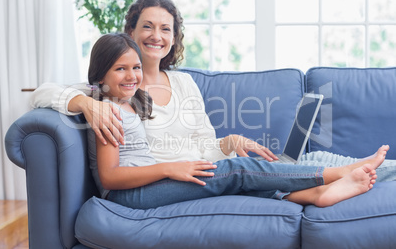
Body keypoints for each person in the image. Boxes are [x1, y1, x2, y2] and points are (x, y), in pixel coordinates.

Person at [30, 0, 396, 183]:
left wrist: (232, 142)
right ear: (131, 30)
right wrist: (85, 103)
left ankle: (375, 169)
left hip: (212, 164)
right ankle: (347, 176)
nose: (157, 36)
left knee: (309, 159)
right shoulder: (116, 85)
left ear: (174, 39)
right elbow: (40, 93)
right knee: (281, 171)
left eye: (166, 29)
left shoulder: (185, 82)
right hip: (175, 176)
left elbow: (207, 143)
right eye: (148, 26)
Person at [85, 32, 387, 210]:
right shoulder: (104, 110)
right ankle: (334, 174)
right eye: (120, 69)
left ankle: (317, 193)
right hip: (128, 195)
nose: (132, 76)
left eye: (135, 67)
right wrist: (169, 168)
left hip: (148, 183)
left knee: (241, 175)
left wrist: (201, 154)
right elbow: (110, 177)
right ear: (100, 76)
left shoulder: (127, 104)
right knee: (238, 170)